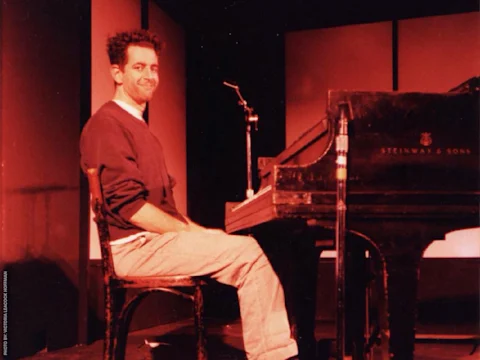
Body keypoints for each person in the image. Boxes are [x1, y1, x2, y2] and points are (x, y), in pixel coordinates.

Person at [80, 29, 298, 360]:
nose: (149, 76)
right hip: (133, 248)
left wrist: (200, 233)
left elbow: (165, 210)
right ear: (117, 73)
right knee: (250, 253)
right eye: (138, 67)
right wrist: (188, 232)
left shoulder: (140, 128)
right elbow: (132, 209)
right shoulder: (107, 124)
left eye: (153, 68)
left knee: (245, 248)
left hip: (151, 242)